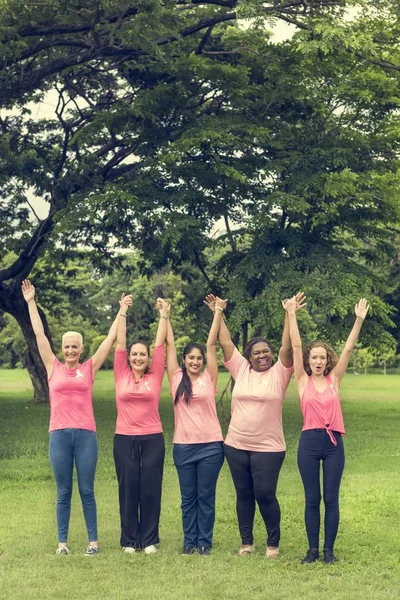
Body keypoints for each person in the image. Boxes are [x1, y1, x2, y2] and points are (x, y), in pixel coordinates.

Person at [21, 279, 129, 556]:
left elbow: (109, 340)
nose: (70, 350)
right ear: (62, 348)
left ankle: (93, 543)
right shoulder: (52, 366)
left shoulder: (89, 368)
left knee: (87, 490)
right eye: (66, 346)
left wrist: (121, 311)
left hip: (86, 435)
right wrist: (31, 301)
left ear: (81, 349)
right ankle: (62, 544)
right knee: (63, 491)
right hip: (58, 434)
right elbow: (39, 335)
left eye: (75, 347)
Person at [204, 292, 305, 559]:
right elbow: (224, 341)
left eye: (266, 352)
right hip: (236, 445)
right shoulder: (240, 369)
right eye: (257, 352)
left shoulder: (280, 373)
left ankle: (273, 544)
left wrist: (289, 313)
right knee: (244, 495)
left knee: (265, 494)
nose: (262, 356)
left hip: (269, 448)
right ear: (248, 356)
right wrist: (219, 311)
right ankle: (246, 543)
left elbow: (288, 347)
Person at [283, 296, 369, 564]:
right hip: (309, 442)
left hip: (333, 445)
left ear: (327, 360)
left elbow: (348, 349)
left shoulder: (335, 379)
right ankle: (312, 551)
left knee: (331, 499)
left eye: (322, 357)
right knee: (312, 499)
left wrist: (358, 320)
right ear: (308, 361)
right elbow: (296, 346)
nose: (318, 361)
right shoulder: (301, 380)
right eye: (314, 358)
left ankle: (329, 551)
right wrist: (291, 314)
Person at [165, 299, 225, 555]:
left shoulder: (209, 377)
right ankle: (190, 541)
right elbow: (168, 344)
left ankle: (204, 542)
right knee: (188, 498)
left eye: (199, 358)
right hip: (184, 447)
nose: (196, 361)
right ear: (184, 359)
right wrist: (165, 316)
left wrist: (218, 312)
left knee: (205, 497)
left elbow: (212, 343)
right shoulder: (176, 377)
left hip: (211, 446)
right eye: (191, 358)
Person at [113, 296, 169, 555]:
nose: (137, 357)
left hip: (152, 439)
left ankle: (148, 539)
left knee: (149, 488)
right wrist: (123, 311)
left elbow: (160, 345)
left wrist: (164, 316)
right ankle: (129, 539)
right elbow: (120, 343)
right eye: (134, 354)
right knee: (128, 488)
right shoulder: (121, 372)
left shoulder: (155, 374)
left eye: (142, 354)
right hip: (124, 439)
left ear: (148, 358)